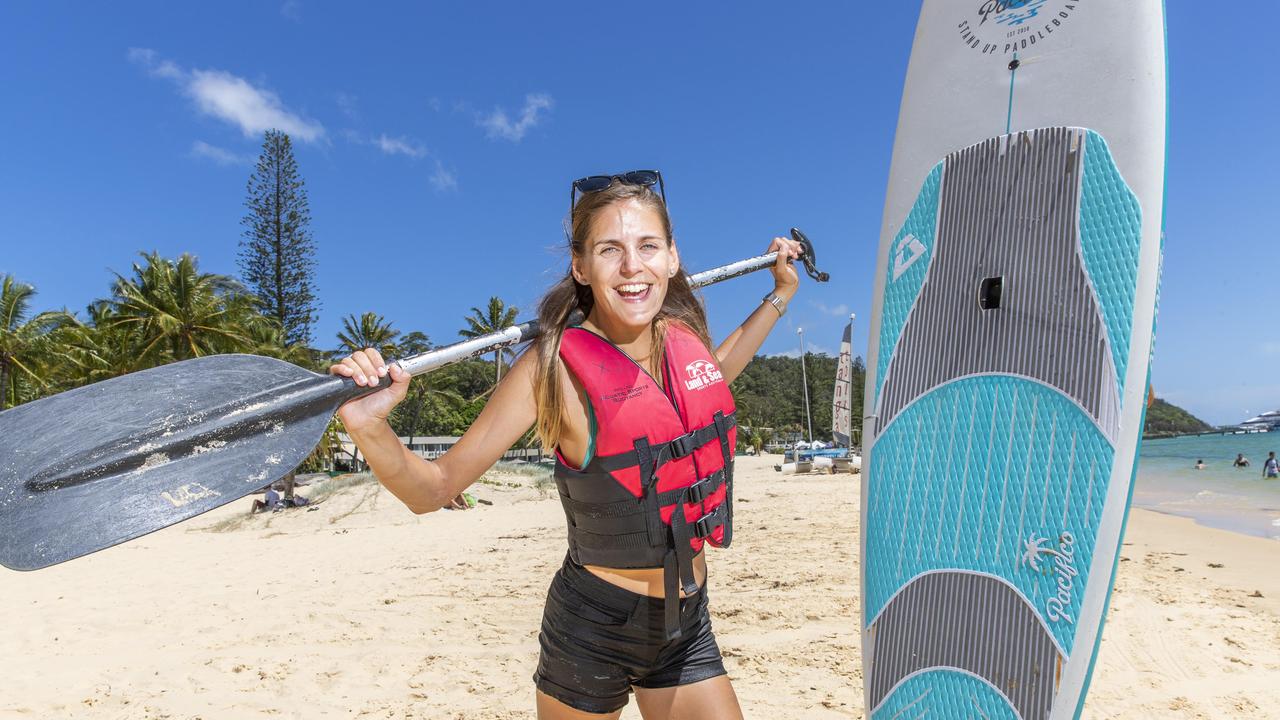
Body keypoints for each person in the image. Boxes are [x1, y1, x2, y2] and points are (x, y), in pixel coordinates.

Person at [329, 171, 803, 719]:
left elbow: (714, 376)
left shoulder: (682, 339)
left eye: (648, 246)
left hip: (686, 623)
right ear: (580, 266)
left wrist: (779, 295)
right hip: (592, 632)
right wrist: (369, 428)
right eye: (609, 250)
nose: (632, 267)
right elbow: (433, 489)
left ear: (673, 257)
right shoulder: (550, 368)